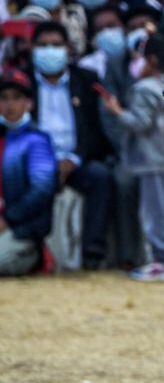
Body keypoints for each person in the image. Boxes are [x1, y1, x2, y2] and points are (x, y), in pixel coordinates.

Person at [28, 21, 113, 269]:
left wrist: (74, 159)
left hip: (75, 160)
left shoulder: (86, 80)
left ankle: (92, 255)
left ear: (68, 49)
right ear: (32, 48)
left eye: (56, 45)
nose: (50, 50)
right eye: (43, 45)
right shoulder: (21, 83)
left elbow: (93, 129)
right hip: (36, 162)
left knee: (100, 176)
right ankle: (33, 253)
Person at [101, 33, 164, 282]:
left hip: (150, 158)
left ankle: (161, 261)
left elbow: (140, 123)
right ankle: (162, 259)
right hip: (163, 156)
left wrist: (117, 110)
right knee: (161, 209)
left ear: (152, 60)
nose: (137, 63)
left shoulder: (144, 88)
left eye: (141, 58)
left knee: (154, 212)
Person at [0, 69, 57, 276]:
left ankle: (37, 256)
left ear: (29, 103)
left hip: (21, 230)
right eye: (3, 98)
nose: (9, 105)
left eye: (17, 97)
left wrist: (8, 219)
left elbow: (41, 190)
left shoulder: (37, 140)